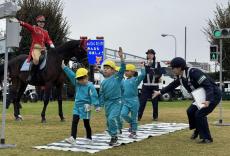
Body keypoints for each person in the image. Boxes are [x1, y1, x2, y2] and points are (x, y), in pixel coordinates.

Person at [152, 57, 221, 144]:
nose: (172, 69)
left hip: (212, 95)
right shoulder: (181, 76)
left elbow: (208, 86)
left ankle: (207, 138)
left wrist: (208, 100)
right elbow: (172, 85)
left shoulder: (193, 72)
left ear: (179, 68)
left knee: (200, 114)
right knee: (190, 111)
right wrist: (159, 92)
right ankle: (198, 129)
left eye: (173, 67)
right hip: (201, 96)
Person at [61, 61, 100, 145]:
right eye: (79, 79)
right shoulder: (77, 83)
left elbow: (94, 96)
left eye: (82, 79)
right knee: (74, 121)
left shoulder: (90, 86)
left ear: (87, 77)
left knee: (86, 123)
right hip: (77, 106)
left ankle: (89, 138)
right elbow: (71, 74)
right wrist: (64, 67)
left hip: (86, 106)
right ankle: (73, 138)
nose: (80, 81)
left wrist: (96, 105)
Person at [99, 47, 125, 146]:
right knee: (109, 121)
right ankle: (112, 136)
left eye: (108, 68)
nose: (105, 70)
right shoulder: (103, 82)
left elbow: (123, 69)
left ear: (113, 70)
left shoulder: (117, 78)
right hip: (108, 103)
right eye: (104, 68)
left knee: (111, 118)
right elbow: (101, 94)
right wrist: (100, 105)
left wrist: (121, 57)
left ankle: (114, 137)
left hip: (117, 102)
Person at [18, 15, 55, 82]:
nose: (42, 23)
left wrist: (51, 44)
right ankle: (31, 75)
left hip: (43, 49)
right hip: (36, 49)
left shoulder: (46, 32)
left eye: (43, 22)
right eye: (40, 22)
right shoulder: (34, 28)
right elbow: (27, 26)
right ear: (37, 22)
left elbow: (48, 39)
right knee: (36, 59)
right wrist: (20, 22)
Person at [121, 63, 146, 139]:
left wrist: (142, 67)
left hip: (134, 101)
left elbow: (143, 75)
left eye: (127, 71)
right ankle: (132, 124)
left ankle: (133, 132)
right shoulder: (123, 81)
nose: (125, 72)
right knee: (123, 114)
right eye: (125, 71)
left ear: (132, 72)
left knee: (134, 117)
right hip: (125, 101)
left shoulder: (135, 80)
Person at [138, 49, 162, 121]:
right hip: (145, 85)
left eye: (151, 54)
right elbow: (143, 73)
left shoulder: (157, 63)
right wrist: (147, 66)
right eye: (148, 54)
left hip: (154, 85)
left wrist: (155, 73)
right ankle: (139, 116)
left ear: (154, 55)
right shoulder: (144, 63)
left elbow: (160, 73)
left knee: (155, 102)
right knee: (142, 101)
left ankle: (155, 117)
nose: (149, 55)